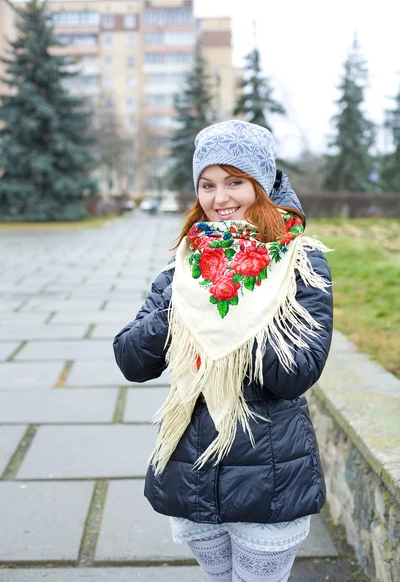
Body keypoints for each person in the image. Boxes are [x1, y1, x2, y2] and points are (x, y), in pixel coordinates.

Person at [113, 120, 333, 582]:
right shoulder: (184, 265)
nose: (221, 199)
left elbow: (295, 372)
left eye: (236, 182)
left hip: (270, 476)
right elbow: (132, 360)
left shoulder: (301, 263)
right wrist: (185, 304)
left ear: (263, 184)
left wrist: (234, 303)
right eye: (208, 185)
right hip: (191, 473)